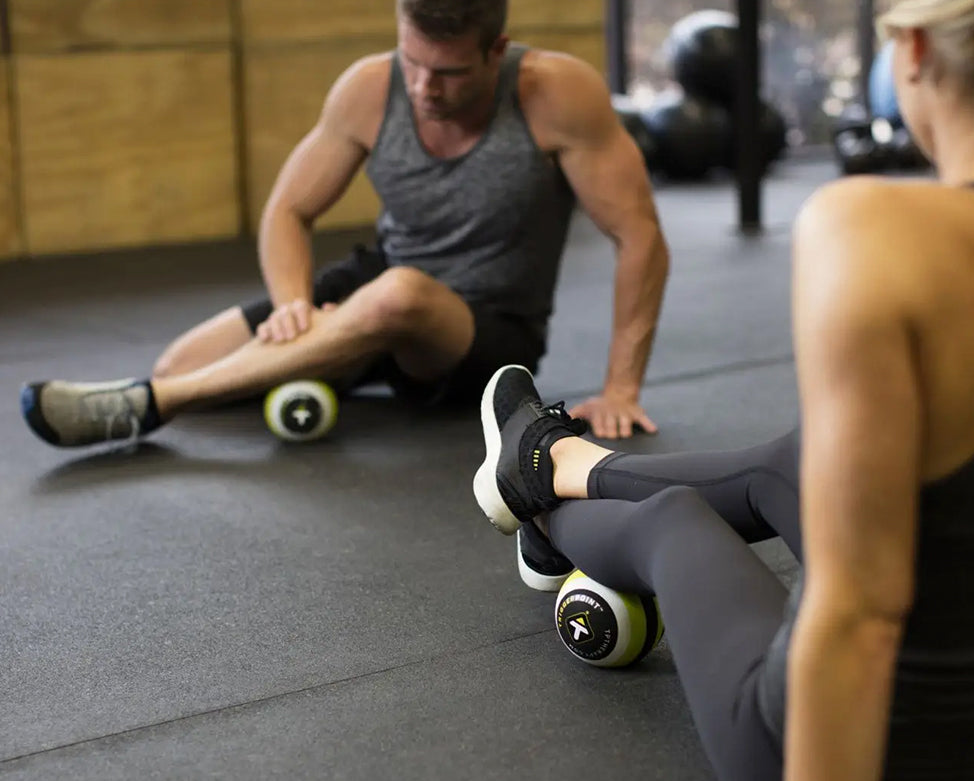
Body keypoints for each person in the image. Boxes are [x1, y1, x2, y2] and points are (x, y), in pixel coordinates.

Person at [473, 0, 974, 781]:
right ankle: (557, 464)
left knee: (678, 523)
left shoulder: (875, 229)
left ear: (916, 53)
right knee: (796, 458)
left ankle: (541, 495)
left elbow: (861, 612)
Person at [20, 0, 668, 450]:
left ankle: (150, 404)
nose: (421, 88)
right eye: (411, 62)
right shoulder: (366, 89)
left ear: (495, 49)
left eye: (446, 72)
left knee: (401, 293)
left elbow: (639, 234)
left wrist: (620, 388)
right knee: (185, 360)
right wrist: (294, 304)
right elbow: (288, 209)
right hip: (376, 286)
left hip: (485, 330)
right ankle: (318, 354)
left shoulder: (557, 95)